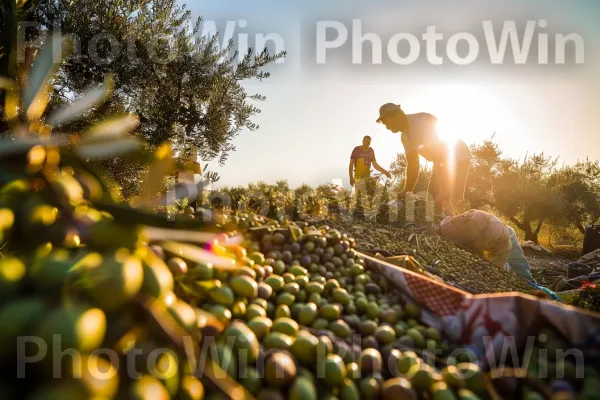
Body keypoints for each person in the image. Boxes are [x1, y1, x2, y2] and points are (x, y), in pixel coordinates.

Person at [376, 103, 471, 215]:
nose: (387, 127)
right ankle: (444, 225)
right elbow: (412, 166)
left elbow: (443, 151)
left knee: (454, 197)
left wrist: (444, 189)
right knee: (433, 198)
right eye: (385, 124)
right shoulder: (405, 138)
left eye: (387, 123)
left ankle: (465, 225)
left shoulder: (422, 120)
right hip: (440, 162)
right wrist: (406, 191)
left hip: (458, 156)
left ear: (397, 115)